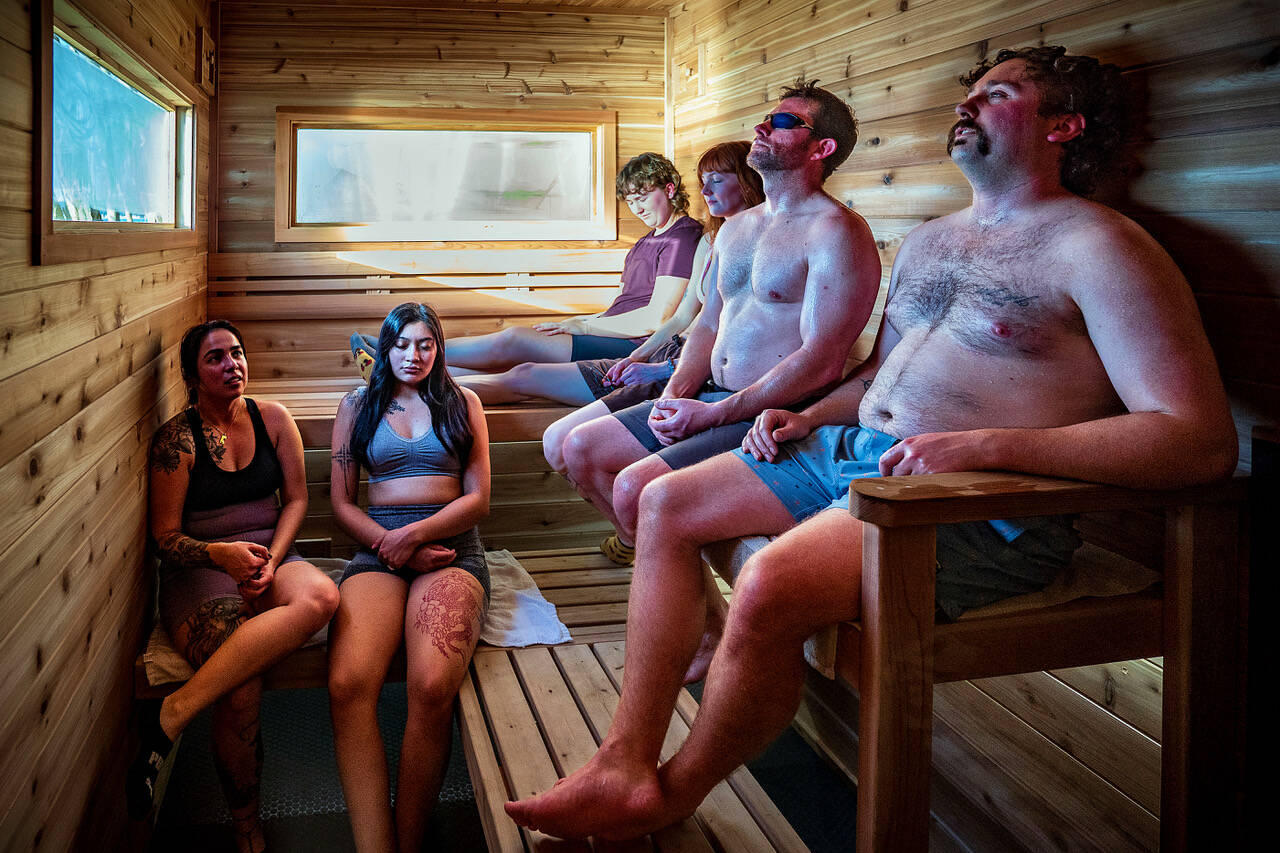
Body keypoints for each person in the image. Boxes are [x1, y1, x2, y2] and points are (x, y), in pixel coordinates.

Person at [504, 46, 1239, 841]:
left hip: (973, 506)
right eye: (970, 92)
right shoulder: (930, 242)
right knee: (661, 500)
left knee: (766, 583)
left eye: (999, 94)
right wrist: (811, 417)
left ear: (1064, 125)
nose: (969, 104)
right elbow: (880, 376)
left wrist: (984, 445)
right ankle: (624, 756)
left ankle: (667, 792)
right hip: (850, 452)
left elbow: (1196, 441)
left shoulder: (1101, 247)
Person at [560, 79, 882, 565]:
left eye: (783, 122)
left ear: (823, 148)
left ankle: (707, 630)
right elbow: (709, 321)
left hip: (768, 411)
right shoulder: (738, 227)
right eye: (767, 117)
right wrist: (675, 394)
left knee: (634, 488)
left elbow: (821, 361)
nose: (762, 127)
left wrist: (718, 412)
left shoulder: (835, 231)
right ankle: (682, 596)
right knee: (581, 448)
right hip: (708, 390)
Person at [127, 321, 340, 853]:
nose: (232, 365)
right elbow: (164, 539)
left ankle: (175, 711)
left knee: (323, 596)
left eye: (237, 354)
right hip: (199, 573)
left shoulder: (273, 419)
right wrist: (218, 553)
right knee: (240, 690)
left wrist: (276, 559)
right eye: (216, 358)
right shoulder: (177, 440)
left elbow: (294, 500)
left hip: (267, 555)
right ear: (191, 375)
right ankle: (247, 828)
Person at [327, 302, 491, 852]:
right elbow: (341, 505)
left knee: (430, 686)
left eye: (425, 344)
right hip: (379, 549)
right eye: (401, 345)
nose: (412, 356)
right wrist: (390, 544)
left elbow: (477, 500)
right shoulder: (357, 405)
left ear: (438, 348)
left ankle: (410, 839)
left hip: (448, 549)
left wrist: (417, 540)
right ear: (385, 347)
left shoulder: (463, 403)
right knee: (348, 685)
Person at [541, 140, 765, 475]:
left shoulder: (759, 242)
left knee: (569, 443)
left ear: (747, 181)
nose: (704, 190)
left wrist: (662, 370)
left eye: (716, 180)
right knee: (558, 438)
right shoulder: (711, 239)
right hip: (675, 354)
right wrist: (638, 356)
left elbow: (730, 335)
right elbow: (685, 316)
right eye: (702, 180)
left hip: (699, 371)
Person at [446, 152, 704, 400]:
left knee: (514, 341)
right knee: (496, 360)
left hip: (635, 344)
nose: (636, 208)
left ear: (669, 190)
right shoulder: (644, 241)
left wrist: (584, 326)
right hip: (611, 333)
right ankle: (419, 370)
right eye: (630, 201)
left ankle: (423, 349)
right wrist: (584, 320)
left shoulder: (681, 237)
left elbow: (656, 318)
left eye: (643, 198)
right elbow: (621, 305)